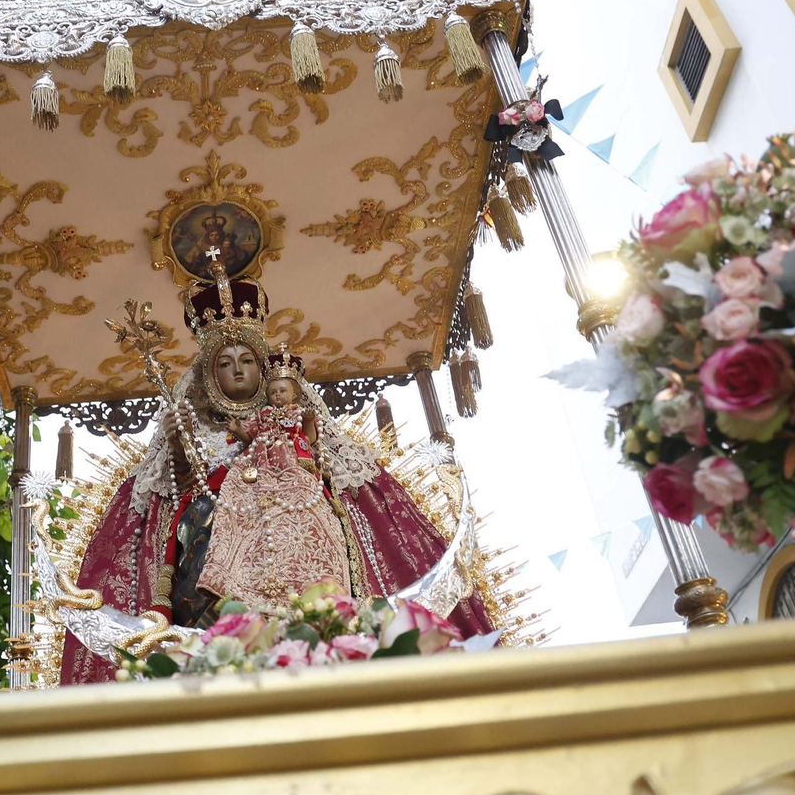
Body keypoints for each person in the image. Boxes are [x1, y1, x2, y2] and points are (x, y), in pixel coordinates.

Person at [59, 264, 494, 684]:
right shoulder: (196, 429)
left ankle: (325, 625)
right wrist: (177, 445)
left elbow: (329, 468)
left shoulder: (290, 416)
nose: (237, 370)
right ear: (208, 374)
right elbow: (171, 493)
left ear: (264, 367)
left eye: (246, 359)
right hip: (214, 557)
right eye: (224, 363)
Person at [195, 352, 352, 615]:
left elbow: (309, 439)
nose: (278, 396)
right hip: (258, 464)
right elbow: (249, 436)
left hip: (291, 464)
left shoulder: (298, 414)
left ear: (294, 395)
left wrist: (311, 420)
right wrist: (237, 430)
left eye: (283, 391)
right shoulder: (263, 415)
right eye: (274, 392)